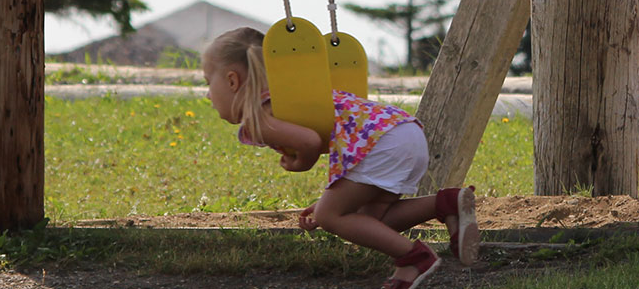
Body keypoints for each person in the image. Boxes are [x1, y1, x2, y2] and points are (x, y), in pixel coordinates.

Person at [201, 26, 478, 289]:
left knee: (331, 216)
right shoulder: (293, 96)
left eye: (207, 82)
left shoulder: (261, 117)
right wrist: (330, 199)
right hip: (403, 131)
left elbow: (309, 141)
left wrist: (300, 164)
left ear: (232, 80)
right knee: (369, 221)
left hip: (382, 143)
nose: (208, 95)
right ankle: (447, 203)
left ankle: (413, 258)